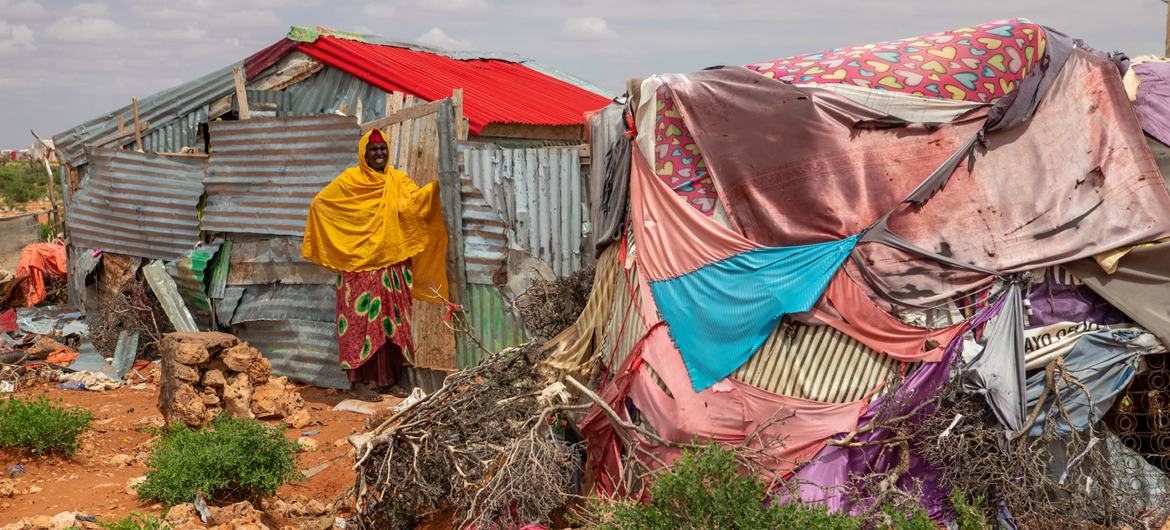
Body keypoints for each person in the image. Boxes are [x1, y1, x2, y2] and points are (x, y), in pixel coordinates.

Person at [302, 129, 449, 402]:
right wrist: (348, 243)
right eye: (373, 149)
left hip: (392, 266)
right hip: (360, 268)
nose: (379, 153)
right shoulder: (350, 181)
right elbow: (320, 206)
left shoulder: (398, 181)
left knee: (392, 324)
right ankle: (357, 383)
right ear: (363, 153)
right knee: (359, 324)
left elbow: (417, 206)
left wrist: (438, 186)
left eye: (383, 149)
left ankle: (387, 381)